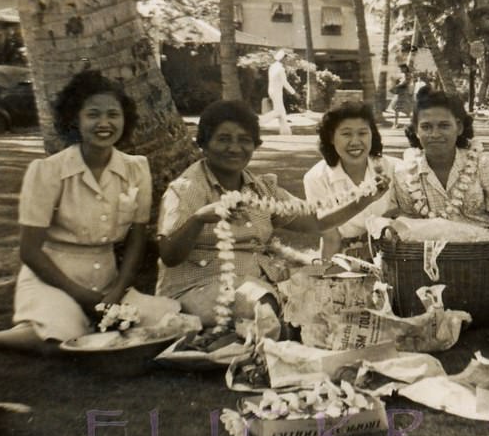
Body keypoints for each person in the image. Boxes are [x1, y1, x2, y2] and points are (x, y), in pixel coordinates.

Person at [156, 100, 387, 326]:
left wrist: (365, 198)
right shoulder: (188, 188)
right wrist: (199, 219)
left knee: (339, 279)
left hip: (262, 282)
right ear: (204, 144)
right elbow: (168, 254)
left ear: (255, 145)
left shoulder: (261, 188)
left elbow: (316, 222)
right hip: (199, 290)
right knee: (264, 304)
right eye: (223, 139)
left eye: (245, 140)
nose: (235, 148)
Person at [0, 70, 152, 352]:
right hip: (53, 280)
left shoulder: (136, 168)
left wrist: (118, 289)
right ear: (75, 119)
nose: (104, 123)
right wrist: (83, 297)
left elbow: (137, 238)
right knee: (60, 339)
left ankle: (86, 321)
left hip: (108, 282)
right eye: (93, 114)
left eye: (113, 115)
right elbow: (30, 251)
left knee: (164, 320)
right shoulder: (48, 171)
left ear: (125, 119)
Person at [391, 87, 489, 298]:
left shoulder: (485, 162)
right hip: (434, 253)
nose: (435, 134)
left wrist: (471, 256)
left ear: (460, 127)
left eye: (444, 125)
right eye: (426, 127)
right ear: (416, 131)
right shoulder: (404, 172)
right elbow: (410, 226)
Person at [303, 101, 399, 261]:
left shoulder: (393, 168)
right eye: (346, 134)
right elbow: (330, 236)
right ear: (331, 138)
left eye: (362, 133)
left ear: (372, 135)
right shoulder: (315, 178)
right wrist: (325, 277)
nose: (355, 141)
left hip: (392, 255)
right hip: (346, 258)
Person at [267, 49, 296, 135]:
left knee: (281, 112)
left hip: (271, 91)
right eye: (286, 59)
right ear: (282, 59)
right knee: (279, 112)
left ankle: (285, 132)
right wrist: (294, 93)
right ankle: (259, 121)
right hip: (277, 92)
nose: (287, 61)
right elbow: (285, 83)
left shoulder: (272, 67)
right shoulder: (280, 69)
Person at [386, 64, 413, 129]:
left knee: (406, 108)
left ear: (405, 68)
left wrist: (396, 86)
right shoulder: (403, 75)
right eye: (400, 69)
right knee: (397, 109)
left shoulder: (408, 75)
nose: (401, 70)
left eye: (402, 68)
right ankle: (396, 123)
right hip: (400, 93)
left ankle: (411, 123)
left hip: (404, 93)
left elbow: (405, 83)